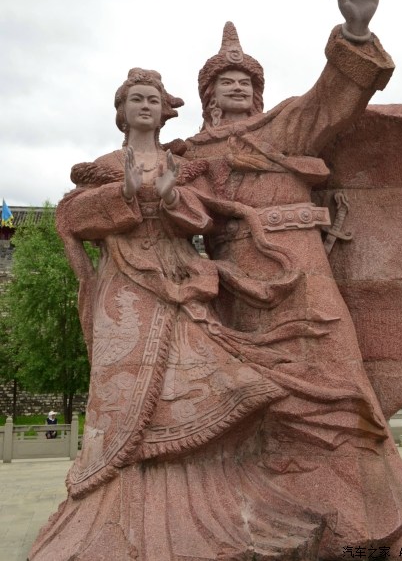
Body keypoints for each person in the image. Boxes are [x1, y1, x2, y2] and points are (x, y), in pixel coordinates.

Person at [184, 0, 402, 556]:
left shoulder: (282, 129)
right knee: (263, 399)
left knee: (343, 388)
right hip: (236, 280)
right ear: (208, 95)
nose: (237, 87)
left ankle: (389, 520)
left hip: (302, 267)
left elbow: (332, 99)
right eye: (225, 81)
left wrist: (354, 32)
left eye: (245, 80)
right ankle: (279, 510)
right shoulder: (189, 154)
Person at [30, 68, 296, 561]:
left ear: (163, 109)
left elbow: (202, 219)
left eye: (153, 98)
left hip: (178, 277)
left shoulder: (181, 164)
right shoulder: (104, 166)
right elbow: (73, 218)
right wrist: (123, 193)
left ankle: (204, 498)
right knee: (123, 389)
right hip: (125, 286)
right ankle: (118, 510)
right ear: (122, 111)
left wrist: (172, 196)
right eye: (136, 98)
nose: (146, 105)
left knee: (222, 376)